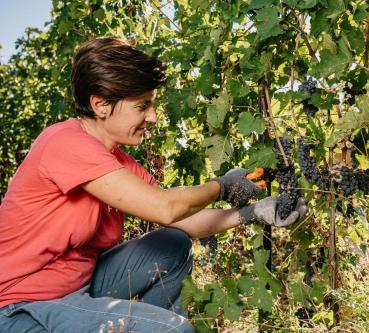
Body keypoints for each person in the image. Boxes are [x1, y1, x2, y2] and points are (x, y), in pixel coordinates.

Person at [0, 38, 308, 333]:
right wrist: (222, 187)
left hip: (76, 286)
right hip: (21, 306)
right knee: (174, 330)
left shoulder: (117, 162)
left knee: (174, 245)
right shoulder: (64, 143)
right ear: (100, 104)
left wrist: (253, 212)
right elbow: (164, 208)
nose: (154, 117)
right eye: (142, 106)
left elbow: (183, 219)